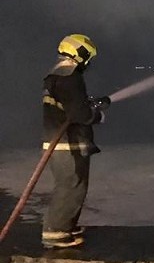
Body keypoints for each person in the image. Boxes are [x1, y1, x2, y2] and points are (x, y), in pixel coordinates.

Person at [41, 34, 109, 248]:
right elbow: (79, 114)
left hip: (62, 142)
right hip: (66, 143)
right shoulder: (70, 77)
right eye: (87, 56)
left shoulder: (57, 75)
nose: (88, 62)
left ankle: (66, 225)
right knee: (71, 186)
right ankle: (56, 231)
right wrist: (96, 116)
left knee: (74, 185)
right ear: (80, 53)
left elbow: (71, 104)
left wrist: (90, 104)